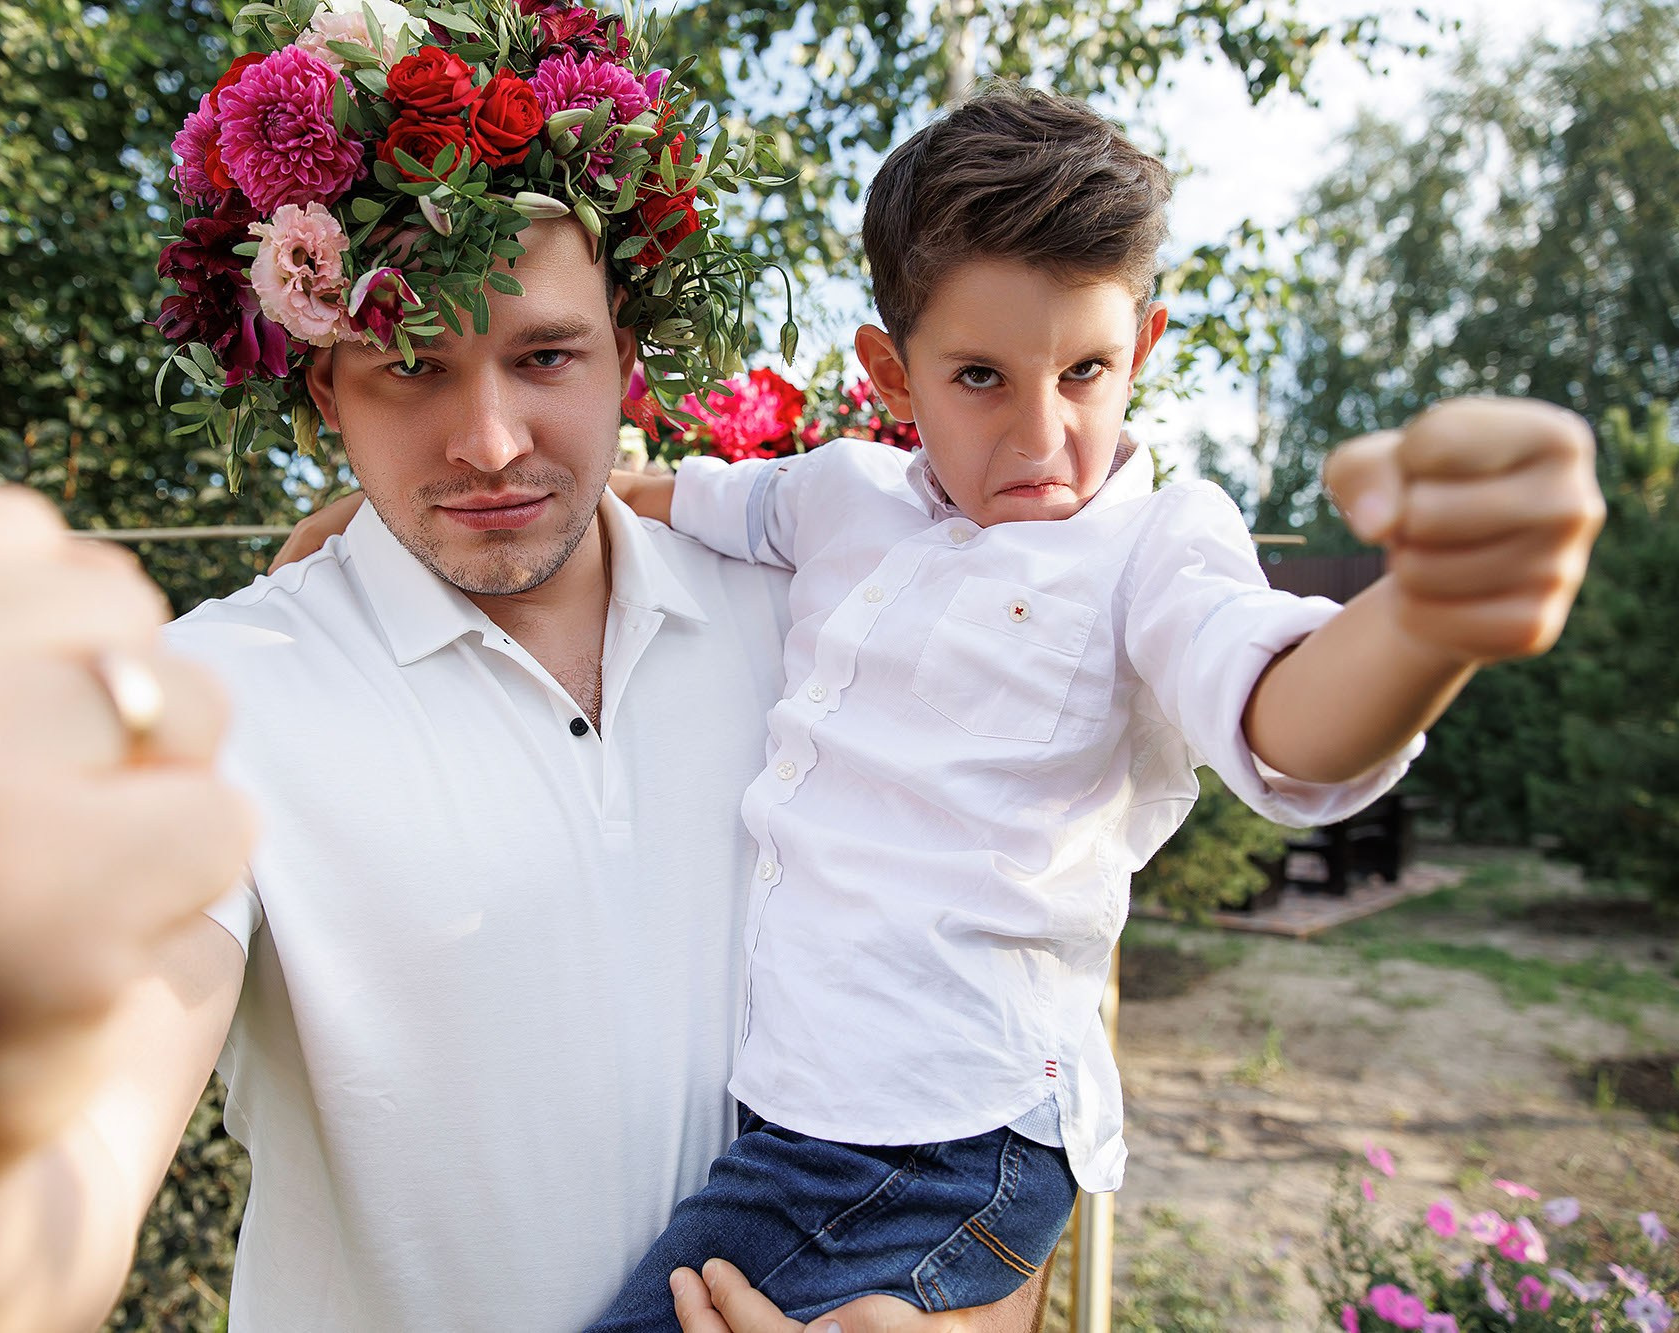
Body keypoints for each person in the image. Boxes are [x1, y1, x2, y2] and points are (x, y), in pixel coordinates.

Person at [0, 6, 1066, 1330]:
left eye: (546, 356)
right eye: (407, 364)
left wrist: (993, 1307)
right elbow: (49, 1225)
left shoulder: (811, 637)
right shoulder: (217, 698)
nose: (492, 440)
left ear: (628, 359)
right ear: (319, 386)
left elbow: (1019, 1002)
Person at [271, 83, 1608, 1329]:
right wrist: (377, 524)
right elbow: (634, 494)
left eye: (1085, 372)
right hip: (807, 1115)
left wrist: (1426, 621)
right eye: (981, 378)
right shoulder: (838, 494)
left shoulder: (1157, 546)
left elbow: (1277, 712)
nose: (1041, 440)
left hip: (936, 1138)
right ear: (892, 371)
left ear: (1143, 342)